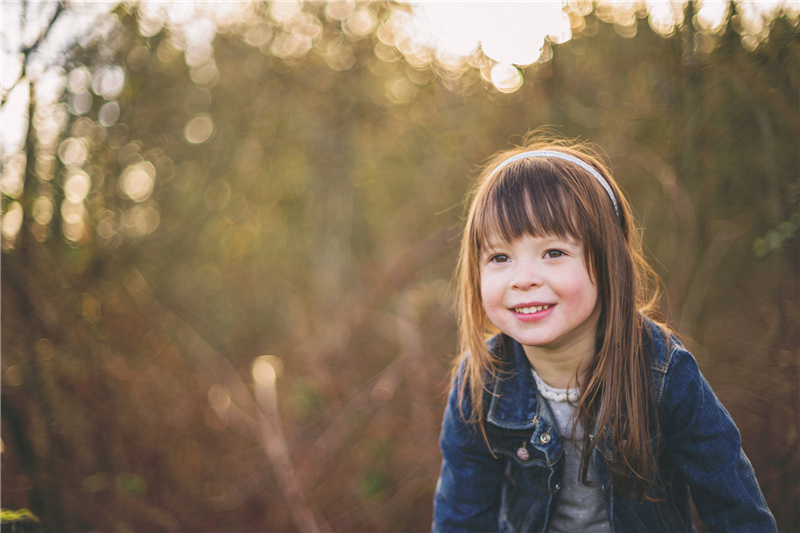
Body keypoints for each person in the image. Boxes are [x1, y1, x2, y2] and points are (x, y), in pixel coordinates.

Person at [432, 135, 777, 532]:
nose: (523, 279)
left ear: (608, 260)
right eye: (499, 257)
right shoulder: (481, 383)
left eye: (554, 252)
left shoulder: (664, 373)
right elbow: (461, 518)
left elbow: (737, 512)